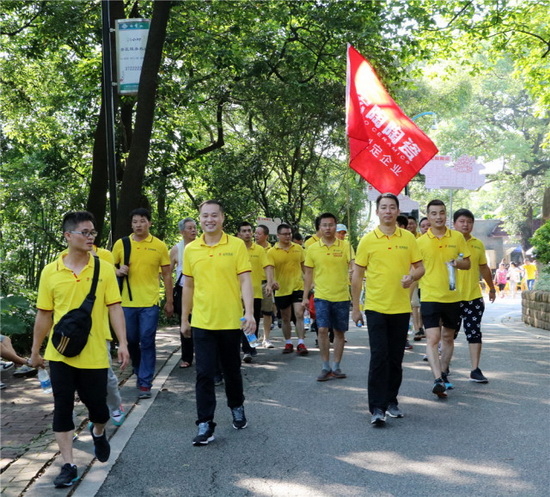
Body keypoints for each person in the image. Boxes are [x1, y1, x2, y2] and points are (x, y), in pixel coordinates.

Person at [30, 211, 129, 488]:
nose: (90, 237)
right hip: (60, 353)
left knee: (99, 410)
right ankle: (69, 464)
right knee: (62, 408)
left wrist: (122, 342)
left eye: (93, 232)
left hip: (96, 352)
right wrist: (36, 351)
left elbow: (114, 307)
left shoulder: (104, 268)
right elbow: (44, 315)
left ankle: (98, 432)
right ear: (68, 236)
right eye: (85, 232)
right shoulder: (51, 271)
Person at [181, 200, 255, 446]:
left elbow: (245, 280)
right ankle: (205, 424)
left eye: (214, 215)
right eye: (205, 216)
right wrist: (185, 318)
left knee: (232, 370)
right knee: (203, 374)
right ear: (200, 219)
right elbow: (188, 285)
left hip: (231, 321)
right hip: (202, 322)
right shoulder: (192, 249)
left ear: (222, 218)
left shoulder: (235, 246)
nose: (209, 219)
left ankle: (236, 406)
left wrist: (250, 313)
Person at [351, 194, 424, 426]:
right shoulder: (367, 241)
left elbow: (420, 268)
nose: (388, 211)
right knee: (379, 357)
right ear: (377, 212)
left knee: (395, 359)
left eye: (392, 207)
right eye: (384, 207)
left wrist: (411, 276)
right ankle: (377, 408)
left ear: (398, 211)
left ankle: (392, 401)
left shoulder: (409, 239)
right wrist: (355, 308)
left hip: (401, 308)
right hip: (375, 307)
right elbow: (357, 276)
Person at [112, 208, 173, 399]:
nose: (139, 225)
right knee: (131, 341)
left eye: (143, 221)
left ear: (149, 223)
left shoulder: (160, 246)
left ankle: (145, 382)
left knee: (147, 340)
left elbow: (167, 274)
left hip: (150, 301)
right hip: (126, 302)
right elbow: (108, 269)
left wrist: (169, 300)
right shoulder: (121, 244)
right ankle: (139, 369)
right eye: (135, 221)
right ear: (131, 224)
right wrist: (118, 271)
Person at [416, 199, 470, 397]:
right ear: (428, 216)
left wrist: (457, 262)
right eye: (434, 213)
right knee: (433, 337)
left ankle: (445, 372)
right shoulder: (420, 242)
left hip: (452, 297)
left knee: (448, 337)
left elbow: (468, 263)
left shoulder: (457, 237)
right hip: (429, 296)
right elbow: (415, 269)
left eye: (442, 213)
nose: (438, 217)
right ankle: (437, 378)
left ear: (446, 215)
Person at [303, 213, 352, 381]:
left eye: (331, 225)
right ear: (319, 228)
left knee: (339, 332)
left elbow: (353, 265)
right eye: (324, 225)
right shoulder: (312, 248)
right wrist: (304, 297)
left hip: (341, 296)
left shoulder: (345, 246)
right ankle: (325, 366)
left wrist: (353, 272)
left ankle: (336, 366)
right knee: (322, 329)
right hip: (321, 295)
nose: (328, 228)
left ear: (336, 226)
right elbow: (308, 274)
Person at [453, 208, 496, 383]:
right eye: (462, 221)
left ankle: (475, 369)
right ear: (454, 223)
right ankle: (443, 367)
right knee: (448, 334)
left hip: (473, 297)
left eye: (469, 222)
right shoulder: (448, 242)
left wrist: (491, 288)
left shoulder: (478, 244)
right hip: (451, 297)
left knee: (474, 332)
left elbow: (484, 267)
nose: (465, 225)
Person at [268, 223, 308, 355]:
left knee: (299, 314)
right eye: (285, 234)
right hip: (281, 289)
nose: (288, 236)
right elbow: (269, 269)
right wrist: (272, 281)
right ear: (278, 235)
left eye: (289, 233)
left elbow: (304, 267)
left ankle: (301, 343)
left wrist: (310, 282)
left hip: (298, 286)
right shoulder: (271, 252)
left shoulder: (298, 248)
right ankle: (288, 342)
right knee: (285, 318)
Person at [236, 222, 274, 362]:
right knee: (239, 321)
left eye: (249, 230)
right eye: (244, 231)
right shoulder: (235, 249)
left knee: (253, 321)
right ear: (239, 234)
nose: (247, 233)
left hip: (255, 292)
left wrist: (269, 283)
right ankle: (246, 348)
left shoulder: (259, 250)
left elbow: (268, 266)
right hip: (235, 293)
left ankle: (249, 347)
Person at [170, 217, 197, 368]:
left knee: (200, 322)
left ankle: (203, 354)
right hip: (182, 290)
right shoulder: (176, 249)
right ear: (182, 232)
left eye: (194, 227)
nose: (193, 230)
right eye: (189, 228)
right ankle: (186, 357)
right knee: (185, 321)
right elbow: (166, 272)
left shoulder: (202, 245)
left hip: (200, 289)